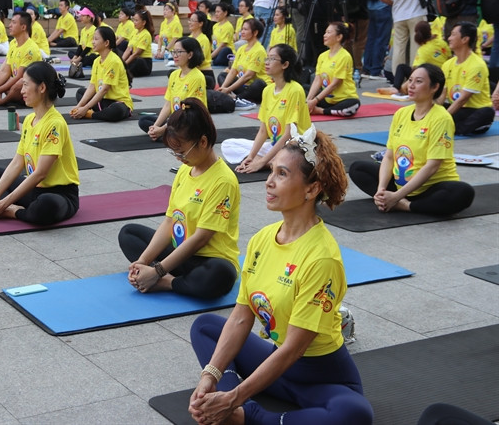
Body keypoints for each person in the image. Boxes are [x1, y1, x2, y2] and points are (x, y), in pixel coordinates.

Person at [189, 125, 374, 425]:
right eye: (271, 171)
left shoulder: (321, 258)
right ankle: (220, 404)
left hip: (321, 379)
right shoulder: (263, 238)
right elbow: (240, 316)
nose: (269, 182)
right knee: (206, 326)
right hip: (276, 368)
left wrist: (237, 398)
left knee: (353, 415)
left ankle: (248, 415)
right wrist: (209, 379)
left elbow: (293, 349)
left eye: (282, 174)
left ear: (311, 189)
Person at [119, 98, 240, 299]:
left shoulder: (223, 180)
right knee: (128, 233)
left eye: (182, 151)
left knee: (220, 275)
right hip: (181, 253)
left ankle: (169, 282)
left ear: (202, 141)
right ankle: (171, 276)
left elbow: (201, 238)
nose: (178, 157)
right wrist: (142, 261)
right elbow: (169, 221)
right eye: (174, 151)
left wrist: (157, 271)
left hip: (208, 260)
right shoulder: (185, 171)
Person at [350, 63, 475, 215]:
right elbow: (389, 156)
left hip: (429, 187)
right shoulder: (401, 113)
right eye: (410, 80)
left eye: (419, 81)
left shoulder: (442, 118)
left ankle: (405, 206)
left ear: (435, 87)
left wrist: (397, 197)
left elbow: (432, 166)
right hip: (399, 183)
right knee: (357, 168)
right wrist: (381, 190)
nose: (411, 85)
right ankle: (388, 200)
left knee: (463, 192)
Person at [0, 61, 80, 226]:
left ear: (41, 88)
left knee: (45, 205)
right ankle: (16, 207)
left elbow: (40, 173)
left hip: (59, 194)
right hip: (35, 189)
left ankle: (13, 211)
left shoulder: (55, 123)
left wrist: (3, 205)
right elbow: (17, 162)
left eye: (26, 85)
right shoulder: (30, 120)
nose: (22, 90)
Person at [222, 44, 311, 172]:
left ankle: (269, 162)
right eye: (267, 58)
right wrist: (251, 157)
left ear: (285, 65)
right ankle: (272, 162)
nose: (267, 62)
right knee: (228, 145)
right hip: (276, 145)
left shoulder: (295, 90)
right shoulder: (268, 90)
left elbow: (289, 134)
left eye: (272, 59)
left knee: (291, 154)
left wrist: (261, 161)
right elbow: (263, 131)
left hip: (295, 146)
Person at [138, 37, 207, 139]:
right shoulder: (174, 74)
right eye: (173, 52)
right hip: (175, 121)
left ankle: (169, 135)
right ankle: (167, 135)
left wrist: (162, 129)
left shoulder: (197, 77)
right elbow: (168, 105)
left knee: (182, 129)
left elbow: (189, 112)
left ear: (190, 55)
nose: (175, 55)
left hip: (189, 121)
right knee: (144, 121)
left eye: (179, 52)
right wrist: (156, 126)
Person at [438, 22, 495, 136]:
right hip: (458, 109)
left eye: (453, 35)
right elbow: (442, 95)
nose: (449, 38)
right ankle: (449, 126)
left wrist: (442, 119)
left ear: (465, 39)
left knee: (487, 112)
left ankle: (452, 127)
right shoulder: (447, 64)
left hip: (475, 110)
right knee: (432, 107)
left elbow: (463, 99)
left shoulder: (477, 65)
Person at [70, 27, 133, 122]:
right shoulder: (96, 61)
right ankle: (96, 112)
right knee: (80, 92)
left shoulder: (113, 61)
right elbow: (92, 86)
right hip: (103, 100)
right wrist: (78, 106)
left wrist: (86, 107)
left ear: (106, 43)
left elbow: (104, 89)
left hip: (118, 102)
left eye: (96, 39)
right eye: (92, 39)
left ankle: (92, 114)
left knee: (116, 111)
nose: (92, 42)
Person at [0, 11, 42, 106]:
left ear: (23, 27)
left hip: (29, 89)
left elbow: (19, 77)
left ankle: (1, 101)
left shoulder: (30, 49)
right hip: (15, 88)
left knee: (21, 82)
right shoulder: (13, 43)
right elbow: (6, 72)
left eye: (13, 23)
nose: (9, 25)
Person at [378, 21, 450, 96]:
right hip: (443, 72)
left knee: (401, 67)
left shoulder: (422, 50)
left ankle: (396, 88)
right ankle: (399, 88)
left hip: (430, 75)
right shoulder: (441, 43)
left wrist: (406, 84)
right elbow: (449, 57)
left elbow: (416, 70)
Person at [306, 22, 361, 117]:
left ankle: (321, 111)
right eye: (325, 32)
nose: (324, 35)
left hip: (344, 99)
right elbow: (317, 80)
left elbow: (335, 84)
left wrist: (315, 101)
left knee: (353, 105)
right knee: (302, 89)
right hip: (327, 99)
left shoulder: (344, 56)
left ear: (339, 37)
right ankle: (320, 108)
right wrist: (308, 100)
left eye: (328, 32)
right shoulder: (322, 56)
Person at [218, 18, 270, 109]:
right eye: (242, 29)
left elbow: (248, 76)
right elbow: (233, 71)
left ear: (255, 33)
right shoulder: (242, 49)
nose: (242, 32)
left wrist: (229, 89)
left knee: (258, 83)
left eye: (245, 29)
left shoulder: (259, 50)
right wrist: (223, 88)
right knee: (222, 75)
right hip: (244, 86)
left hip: (256, 88)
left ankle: (237, 98)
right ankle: (234, 98)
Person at [380, 0, 426, 73]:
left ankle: (398, 77)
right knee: (416, 47)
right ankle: (415, 75)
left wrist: (396, 4)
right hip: (417, 13)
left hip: (399, 15)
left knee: (398, 48)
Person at [363, 0, 393, 79]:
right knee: (381, 40)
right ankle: (376, 70)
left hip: (371, 7)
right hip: (384, 6)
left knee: (371, 39)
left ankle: (367, 68)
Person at [67, 7, 99, 78]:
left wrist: (77, 59)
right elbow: (80, 46)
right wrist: (75, 57)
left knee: (92, 58)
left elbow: (88, 48)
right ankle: (80, 62)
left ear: (89, 17)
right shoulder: (83, 30)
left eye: (83, 16)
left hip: (92, 54)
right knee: (70, 53)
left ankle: (80, 62)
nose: (81, 17)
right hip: (85, 55)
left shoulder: (94, 30)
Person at [122, 9, 154, 77]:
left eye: (136, 20)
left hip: (143, 62)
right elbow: (128, 49)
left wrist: (124, 65)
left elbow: (137, 54)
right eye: (133, 20)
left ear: (143, 22)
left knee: (137, 61)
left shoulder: (146, 34)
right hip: (134, 59)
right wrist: (121, 62)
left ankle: (124, 72)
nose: (134, 22)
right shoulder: (134, 32)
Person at [188, 11, 215, 89]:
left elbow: (199, 60)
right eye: (190, 20)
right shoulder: (189, 38)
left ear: (200, 24)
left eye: (193, 20)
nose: (190, 22)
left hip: (204, 73)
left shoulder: (203, 39)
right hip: (192, 71)